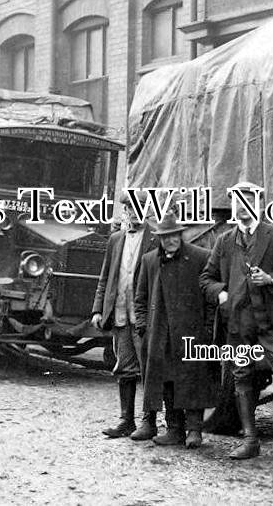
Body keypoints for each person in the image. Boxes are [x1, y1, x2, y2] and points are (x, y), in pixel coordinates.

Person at [200, 181, 273, 460]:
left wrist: (271, 279)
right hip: (239, 325)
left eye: (249, 201)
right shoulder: (224, 241)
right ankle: (250, 440)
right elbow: (206, 278)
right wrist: (221, 294)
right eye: (238, 202)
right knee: (242, 377)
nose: (243, 208)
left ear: (259, 205)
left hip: (272, 324)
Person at [134, 213, 216, 448]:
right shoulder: (150, 260)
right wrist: (143, 326)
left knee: (193, 380)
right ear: (159, 238)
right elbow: (140, 298)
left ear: (180, 235)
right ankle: (174, 430)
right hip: (160, 333)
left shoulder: (200, 257)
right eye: (165, 236)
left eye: (174, 235)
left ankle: (194, 431)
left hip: (191, 332)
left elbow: (210, 298)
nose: (171, 240)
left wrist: (207, 329)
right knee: (167, 380)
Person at [90, 192, 157, 439]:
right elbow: (105, 277)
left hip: (144, 317)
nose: (134, 214)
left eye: (140, 208)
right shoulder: (116, 239)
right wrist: (98, 309)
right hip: (120, 314)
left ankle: (148, 423)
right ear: (125, 211)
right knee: (125, 367)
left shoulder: (155, 240)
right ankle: (125, 421)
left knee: (148, 369)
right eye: (130, 209)